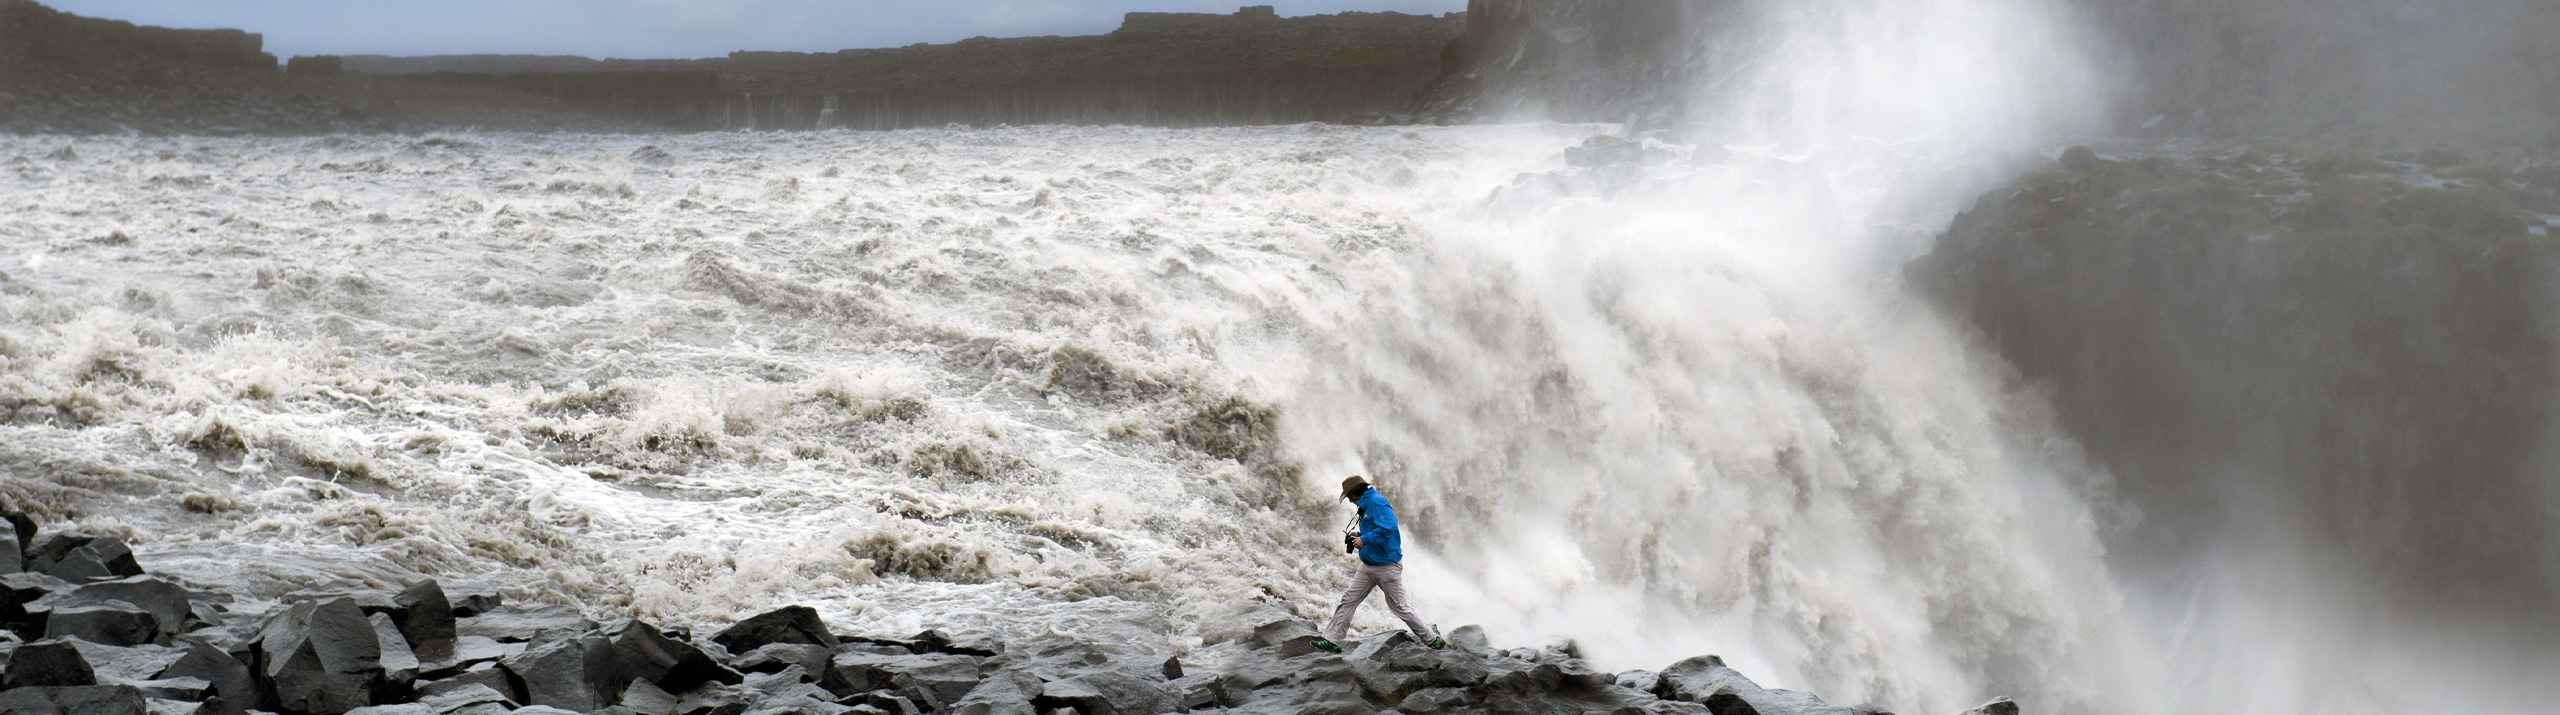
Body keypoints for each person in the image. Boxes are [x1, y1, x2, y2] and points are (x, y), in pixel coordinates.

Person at [1314, 475, 1444, 654]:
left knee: (1400, 608)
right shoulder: (1366, 504)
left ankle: (1433, 640)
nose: (1350, 501)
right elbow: (1377, 529)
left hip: (1387, 566)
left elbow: (1389, 527)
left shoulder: (1377, 502)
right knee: (1348, 600)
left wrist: (1364, 539)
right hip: (1368, 565)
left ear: (1356, 493)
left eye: (1349, 497)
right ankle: (1332, 641)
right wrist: (1359, 534)